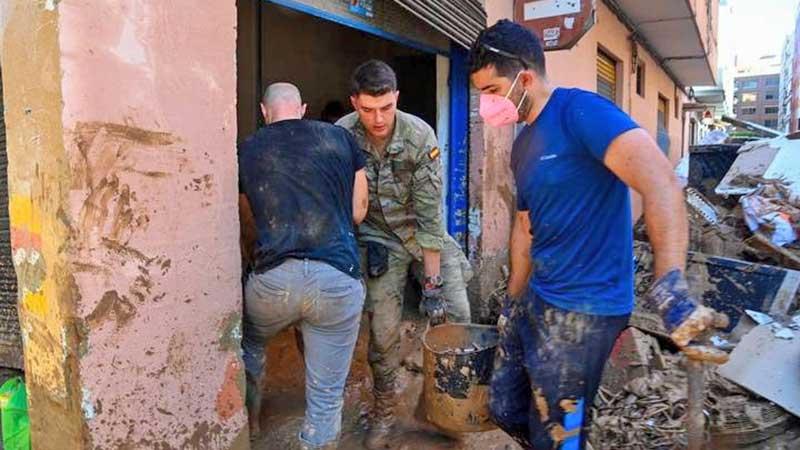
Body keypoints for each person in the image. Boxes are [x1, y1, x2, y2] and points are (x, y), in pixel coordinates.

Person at [468, 20, 726, 450]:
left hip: (586, 308)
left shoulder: (582, 113)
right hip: (541, 295)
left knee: (557, 430)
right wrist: (512, 303)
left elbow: (661, 183)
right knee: (505, 405)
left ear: (525, 79)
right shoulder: (523, 145)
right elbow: (525, 226)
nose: (486, 105)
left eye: (492, 90)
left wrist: (670, 286)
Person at [336, 60, 473, 449]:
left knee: (456, 317)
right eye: (368, 110)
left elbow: (430, 219)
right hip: (378, 239)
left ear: (396, 98)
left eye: (386, 107)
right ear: (354, 103)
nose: (378, 119)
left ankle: (442, 409)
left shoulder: (419, 136)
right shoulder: (341, 135)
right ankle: (385, 413)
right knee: (382, 336)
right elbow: (338, 204)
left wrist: (433, 285)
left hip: (424, 234)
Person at [238, 82, 368, 449]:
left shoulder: (247, 148)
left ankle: (250, 423)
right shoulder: (341, 139)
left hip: (273, 284)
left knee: (249, 344)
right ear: (303, 109)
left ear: (264, 112)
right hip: (336, 281)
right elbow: (359, 211)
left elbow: (246, 220)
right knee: (326, 397)